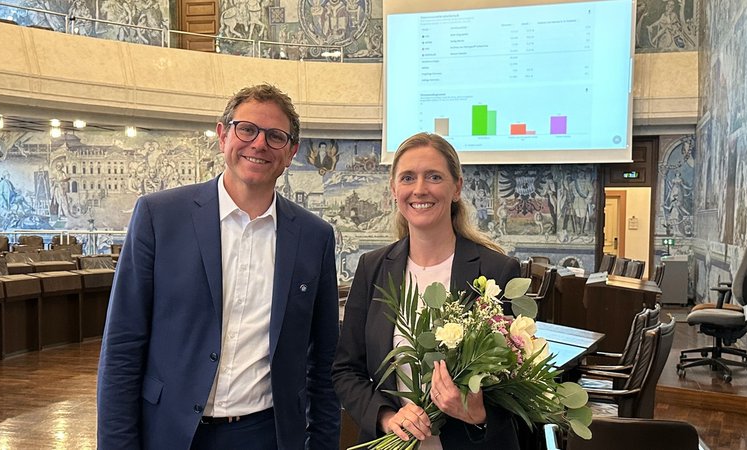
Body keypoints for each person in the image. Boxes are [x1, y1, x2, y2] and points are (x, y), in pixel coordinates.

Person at [97, 84, 341, 450]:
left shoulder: (314, 237)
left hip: (265, 435)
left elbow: (322, 363)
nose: (259, 144)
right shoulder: (158, 217)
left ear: (291, 153)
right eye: (247, 129)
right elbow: (122, 346)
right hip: (169, 432)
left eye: (276, 137)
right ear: (222, 134)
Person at [332, 132, 521, 450]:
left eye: (434, 177)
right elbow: (346, 370)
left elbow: (517, 383)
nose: (420, 189)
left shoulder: (497, 271)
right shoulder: (372, 268)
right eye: (408, 177)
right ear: (394, 189)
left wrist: (478, 412)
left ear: (457, 187)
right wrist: (387, 417)